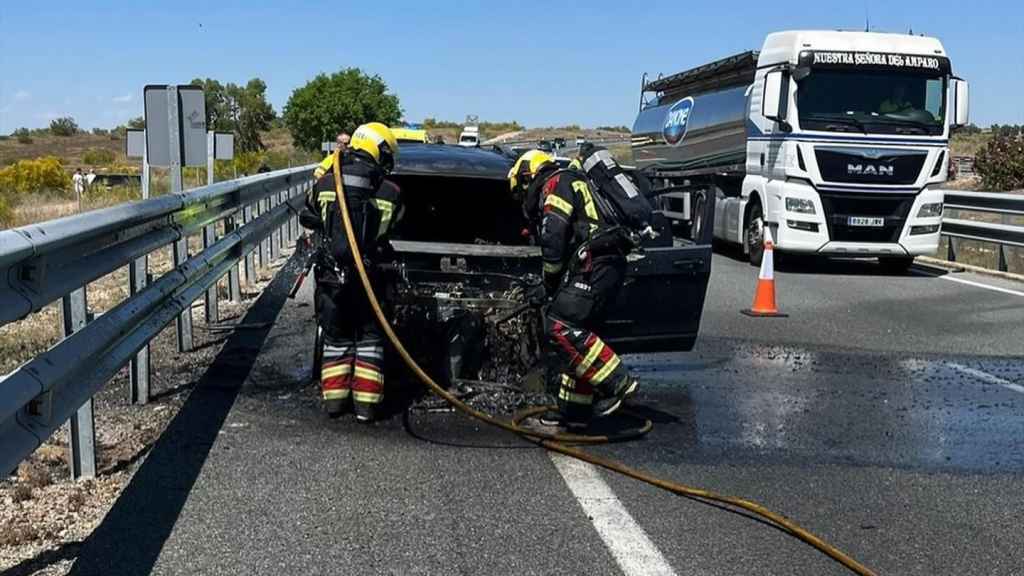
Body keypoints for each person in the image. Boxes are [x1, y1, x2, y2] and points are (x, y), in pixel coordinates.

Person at [510, 149, 638, 428]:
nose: (524, 199)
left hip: (595, 262)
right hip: (606, 262)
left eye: (520, 190)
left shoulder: (555, 184)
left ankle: (618, 383)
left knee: (559, 326)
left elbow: (553, 235)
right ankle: (575, 411)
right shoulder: (575, 180)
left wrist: (548, 284)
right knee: (581, 333)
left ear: (526, 176)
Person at [305, 123, 401, 421]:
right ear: (377, 149)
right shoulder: (390, 191)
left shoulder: (324, 182)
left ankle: (335, 402)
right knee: (370, 338)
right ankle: (366, 407)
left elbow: (309, 214)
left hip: (332, 279)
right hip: (371, 279)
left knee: (336, 336)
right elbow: (393, 224)